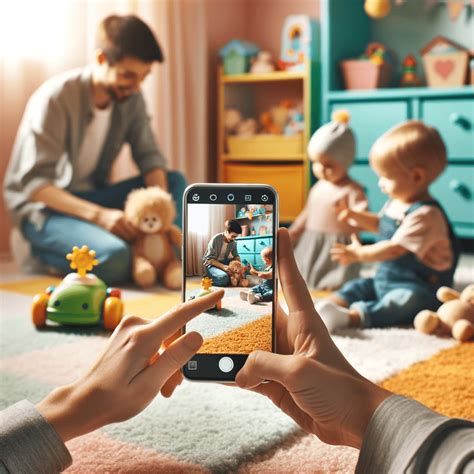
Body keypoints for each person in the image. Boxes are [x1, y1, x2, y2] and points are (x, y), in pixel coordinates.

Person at [1, 229, 473, 473]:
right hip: (219, 275)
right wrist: (364, 413)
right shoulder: (218, 245)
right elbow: (216, 263)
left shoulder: (234, 246)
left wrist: (61, 412)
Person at [3, 14, 186, 285]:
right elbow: (36, 185)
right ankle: (38, 249)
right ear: (102, 60)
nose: (136, 87)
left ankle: (163, 256)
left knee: (173, 182)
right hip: (46, 208)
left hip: (93, 196)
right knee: (114, 259)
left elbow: (150, 159)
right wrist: (100, 217)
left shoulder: (130, 98)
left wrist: (160, 220)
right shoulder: (55, 98)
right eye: (128, 75)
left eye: (143, 77)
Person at [315, 121, 459, 333]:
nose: (380, 184)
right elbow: (381, 224)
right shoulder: (398, 201)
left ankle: (352, 318)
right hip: (388, 278)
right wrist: (354, 215)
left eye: (386, 177)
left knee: (406, 302)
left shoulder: (427, 215)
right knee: (359, 286)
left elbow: (394, 249)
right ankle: (322, 308)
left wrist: (360, 254)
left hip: (421, 286)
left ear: (416, 176)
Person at [288, 110, 368, 290]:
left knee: (338, 281)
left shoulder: (352, 190)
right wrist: (294, 231)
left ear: (345, 161)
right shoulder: (318, 187)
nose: (321, 170)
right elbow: (308, 213)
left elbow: (363, 217)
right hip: (312, 241)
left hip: (337, 247)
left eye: (329, 165)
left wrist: (354, 215)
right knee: (304, 273)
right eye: (316, 163)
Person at [202, 219, 242, 287]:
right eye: (233, 236)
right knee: (223, 279)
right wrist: (223, 267)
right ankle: (209, 277)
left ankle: (232, 277)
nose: (234, 239)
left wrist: (238, 266)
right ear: (226, 231)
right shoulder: (216, 239)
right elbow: (209, 259)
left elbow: (236, 256)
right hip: (212, 264)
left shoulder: (233, 242)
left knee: (243, 270)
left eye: (236, 237)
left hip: (224, 262)